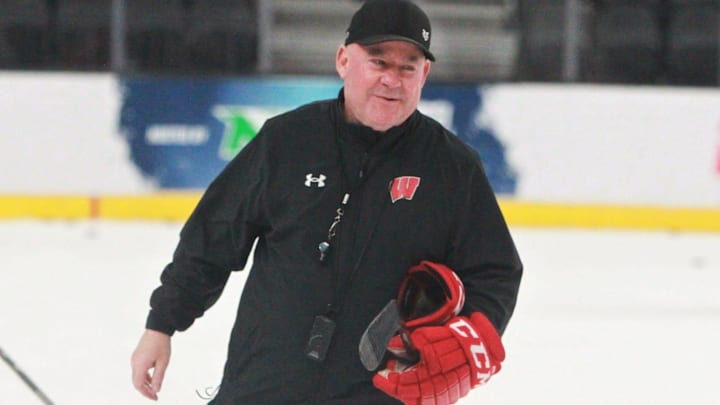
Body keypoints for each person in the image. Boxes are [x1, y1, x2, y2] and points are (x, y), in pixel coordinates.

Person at [130, 0, 523, 403]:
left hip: (376, 392)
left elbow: (495, 271)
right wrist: (162, 324)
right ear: (343, 60)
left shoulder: (451, 167)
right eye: (378, 62)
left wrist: (467, 339)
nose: (393, 79)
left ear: (424, 74)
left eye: (408, 67)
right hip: (263, 386)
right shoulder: (288, 140)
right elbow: (213, 236)